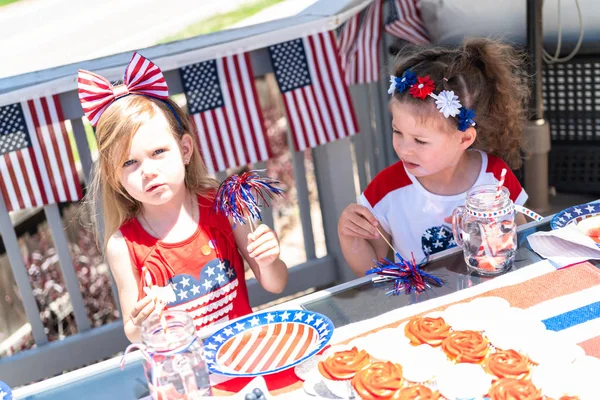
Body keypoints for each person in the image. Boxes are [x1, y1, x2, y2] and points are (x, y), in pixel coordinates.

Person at [78, 53, 288, 342]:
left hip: (242, 352)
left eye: (158, 153)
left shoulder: (225, 204)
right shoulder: (123, 245)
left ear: (185, 150)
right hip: (183, 373)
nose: (148, 171)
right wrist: (143, 321)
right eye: (129, 163)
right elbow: (133, 331)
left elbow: (275, 284)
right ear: (115, 177)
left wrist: (269, 260)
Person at [338, 38, 530, 276]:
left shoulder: (495, 176)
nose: (404, 148)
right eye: (397, 131)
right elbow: (370, 270)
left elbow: (523, 240)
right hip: (423, 307)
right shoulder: (386, 190)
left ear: (464, 139)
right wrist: (350, 237)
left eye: (420, 141)